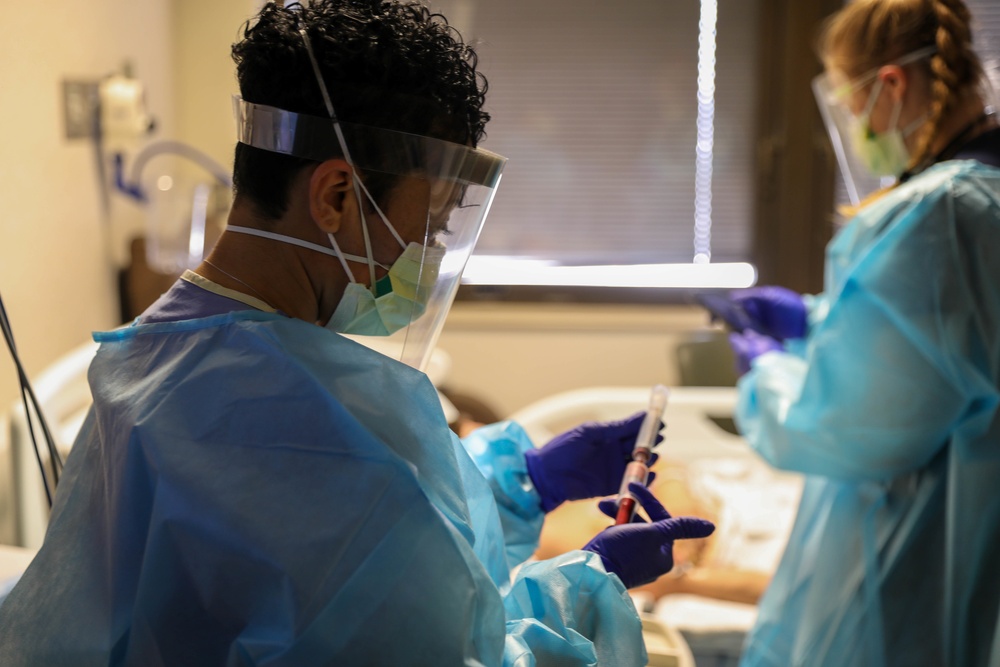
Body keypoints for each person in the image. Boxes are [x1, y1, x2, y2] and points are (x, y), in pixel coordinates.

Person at [0, 2, 714, 665]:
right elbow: (454, 649)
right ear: (337, 195)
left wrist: (522, 481)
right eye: (428, 226)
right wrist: (594, 584)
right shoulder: (294, 419)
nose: (428, 253)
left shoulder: (155, 354)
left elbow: (373, 557)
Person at [724, 0, 1000, 665]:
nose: (855, 125)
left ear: (892, 84)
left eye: (853, 105)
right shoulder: (983, 195)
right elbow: (944, 346)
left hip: (914, 559)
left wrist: (765, 373)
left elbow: (847, 425)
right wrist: (818, 321)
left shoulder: (940, 213)